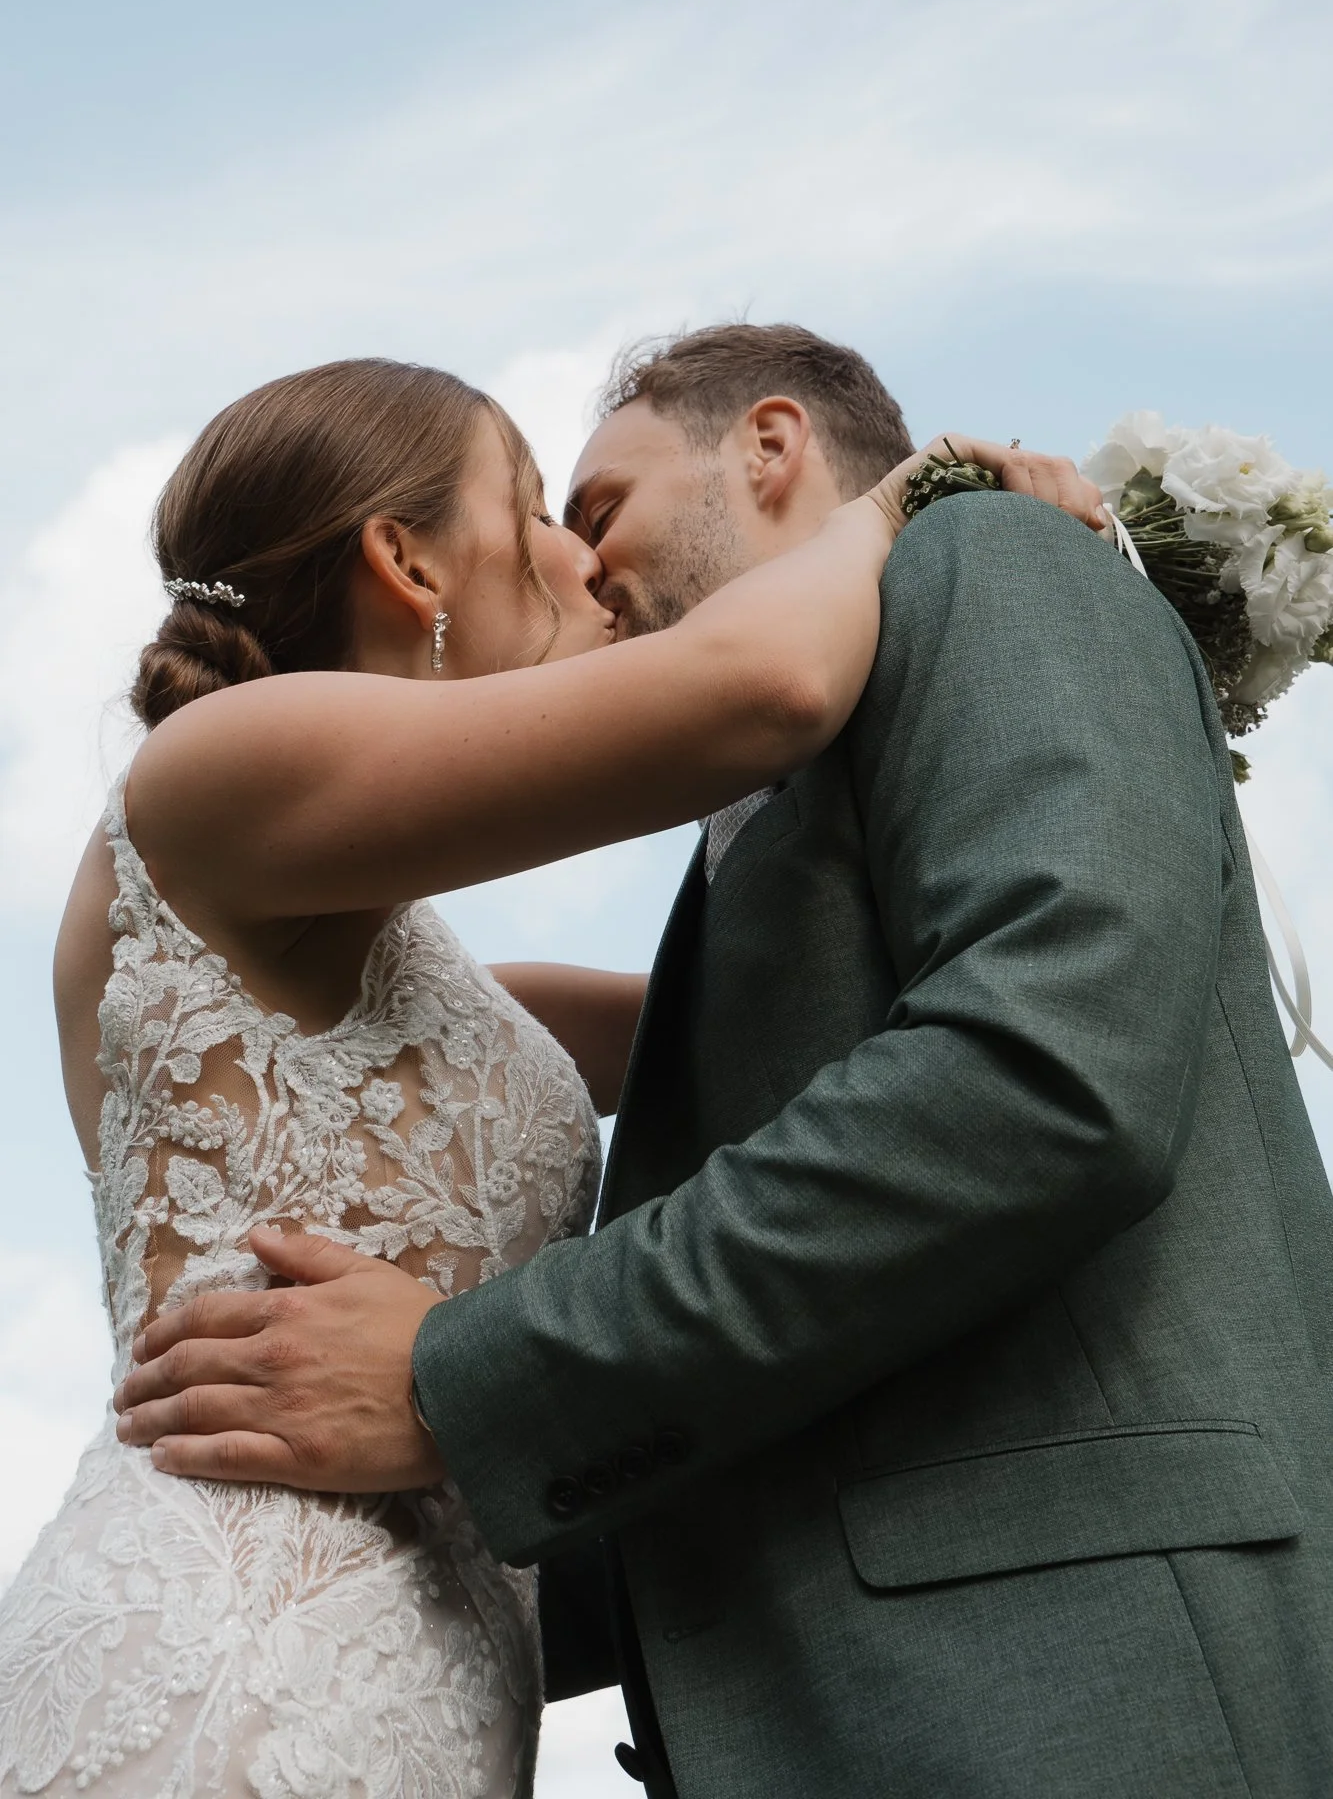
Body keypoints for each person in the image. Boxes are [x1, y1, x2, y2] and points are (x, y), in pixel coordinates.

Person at [110, 321, 1332, 1799]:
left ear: (769, 445)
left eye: (600, 509)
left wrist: (462, 1379)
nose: (580, 566)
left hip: (1073, 1688)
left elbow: (1041, 1076)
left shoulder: (986, 565)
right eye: (540, 524)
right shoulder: (705, 843)